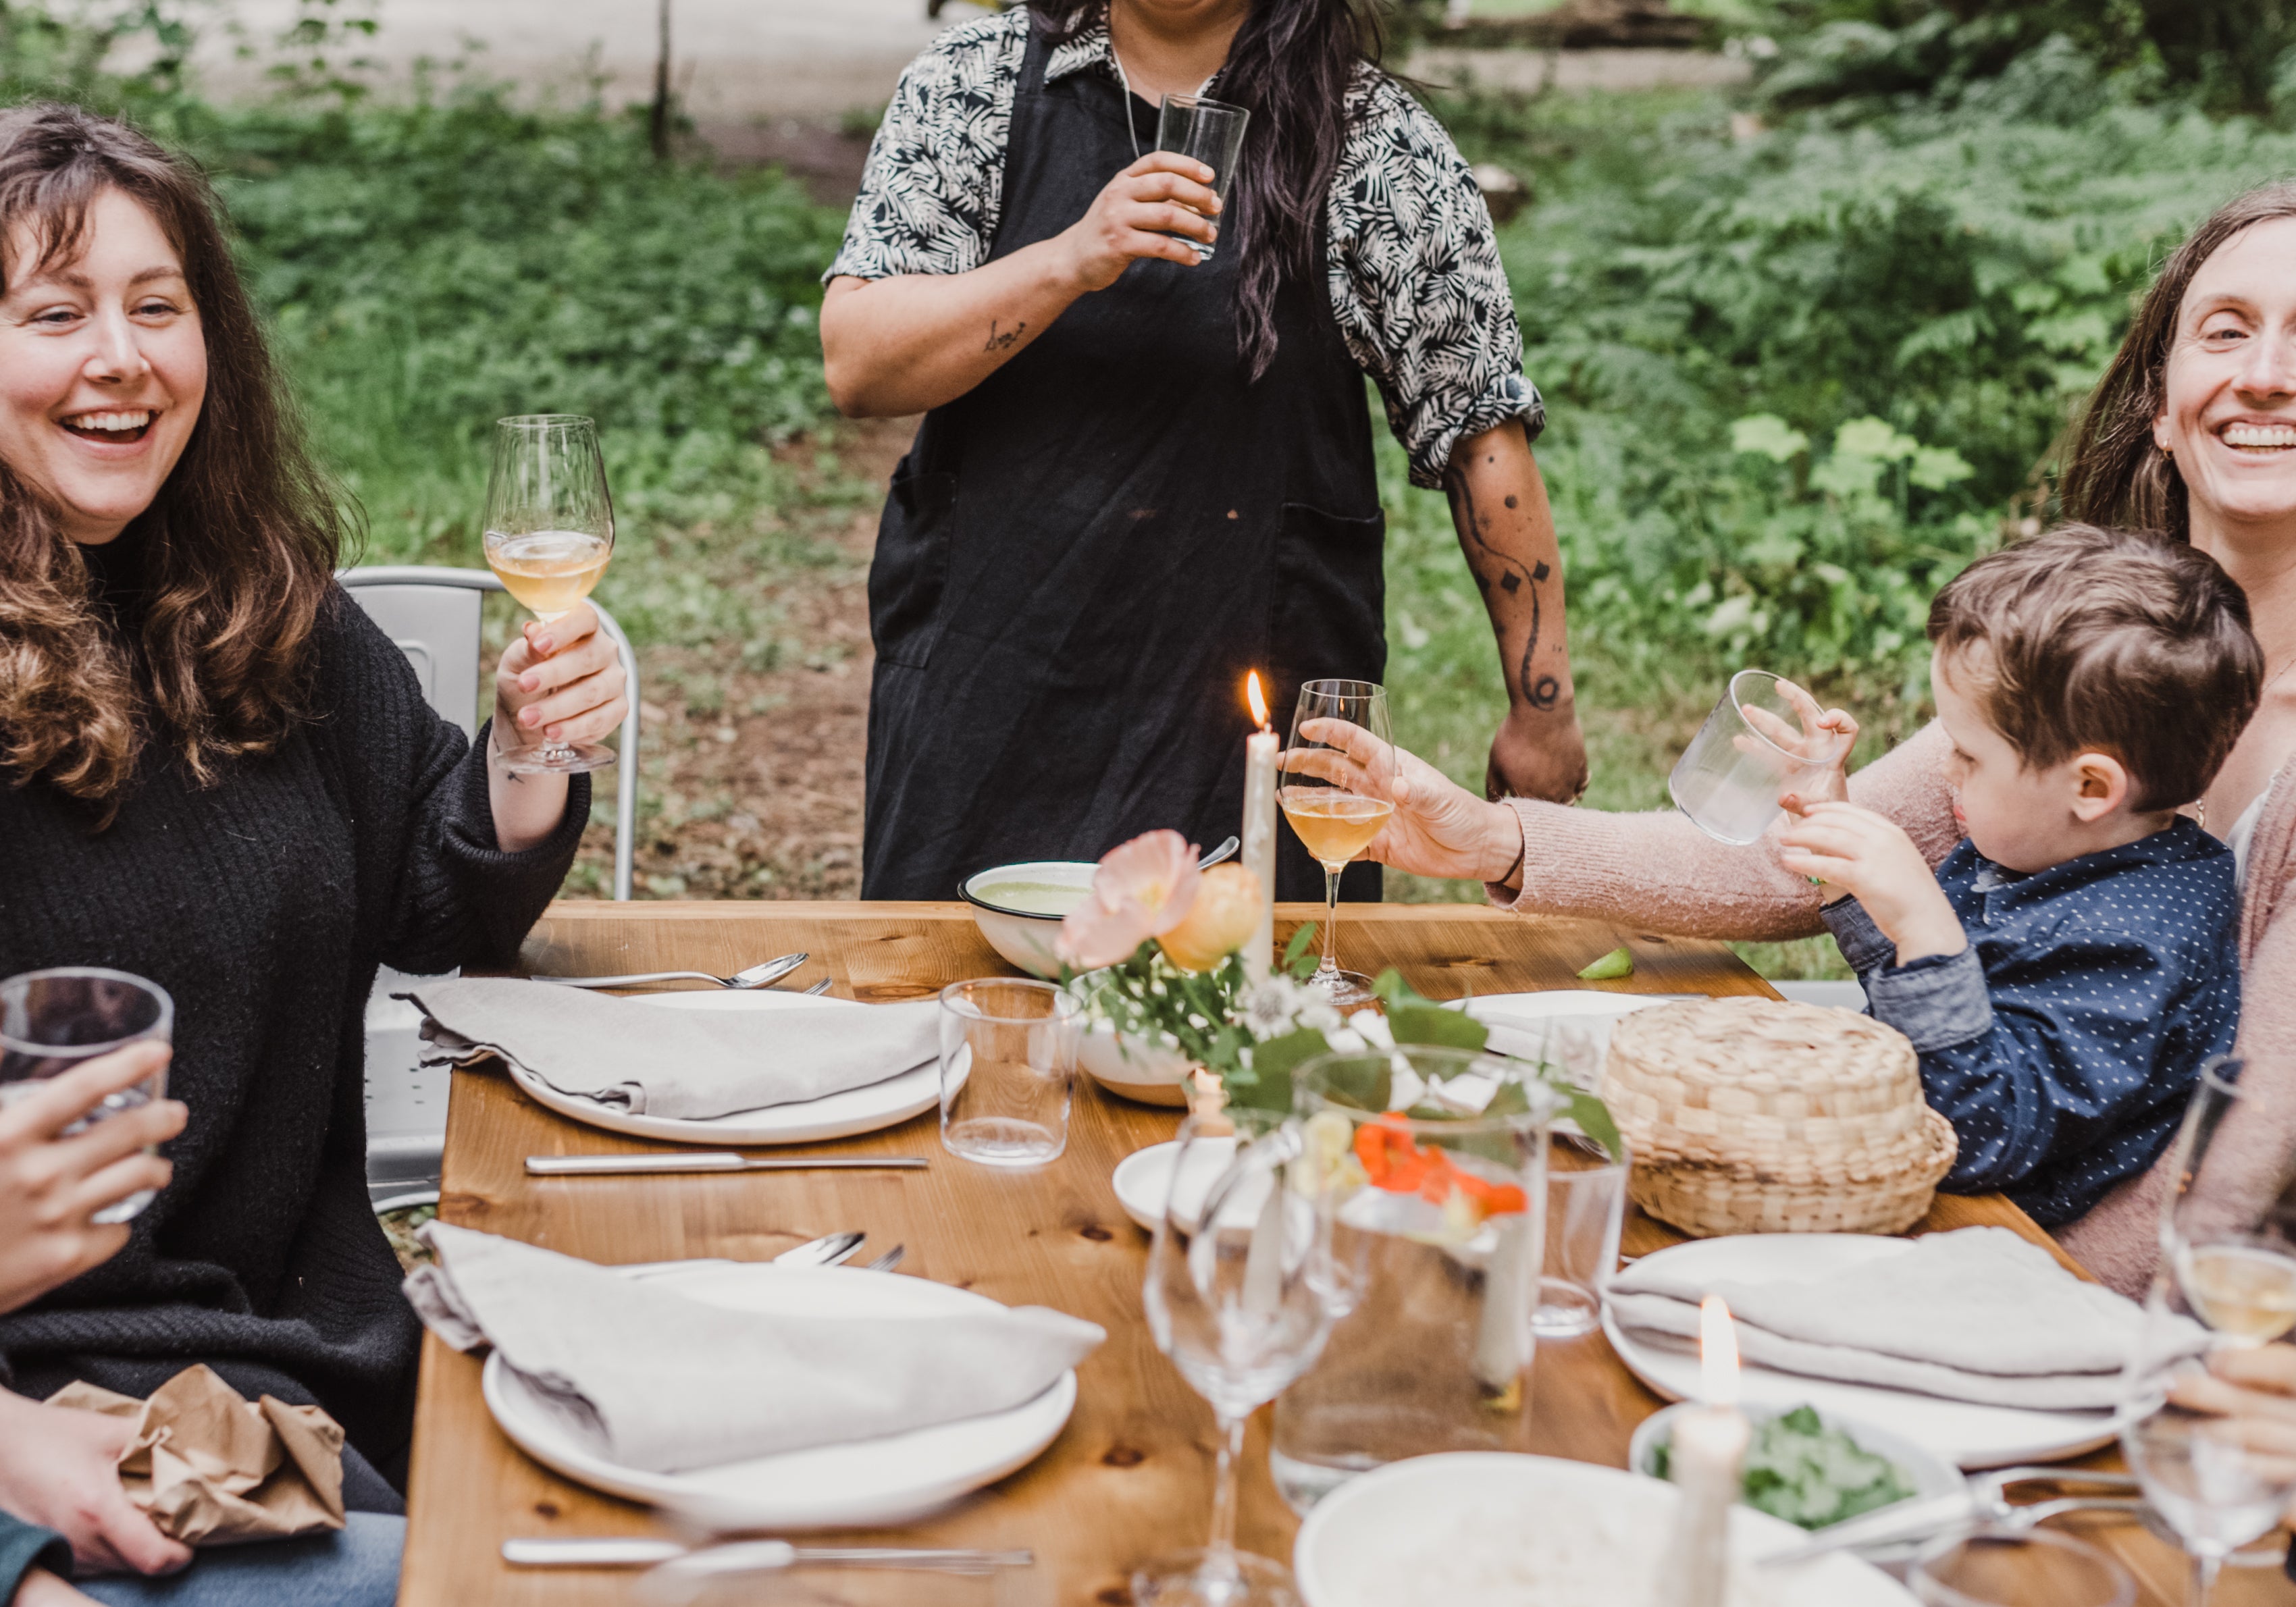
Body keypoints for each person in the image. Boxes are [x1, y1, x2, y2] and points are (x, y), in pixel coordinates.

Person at [1332, 178, 2296, 1294]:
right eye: (2228, 331)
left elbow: (2223, 1186)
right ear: (2163, 408)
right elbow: (1789, 870)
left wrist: (1968, 1312)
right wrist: (1489, 840)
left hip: (2105, 1302)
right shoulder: (2096, 656)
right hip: (1963, 1197)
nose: (2267, 373)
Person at [0, 101, 621, 1592]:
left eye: (160, 306)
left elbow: (434, 892)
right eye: (53, 313)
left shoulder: (250, 601)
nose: (121, 358)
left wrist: (529, 749)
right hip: (66, 1433)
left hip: (306, 1373)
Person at [820, 0, 1588, 902]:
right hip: (993, 684)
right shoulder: (975, 83)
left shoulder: (1374, 138)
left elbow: (1477, 436)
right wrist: (1072, 256)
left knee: (1257, 1021)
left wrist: (1543, 713)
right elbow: (860, 363)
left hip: (1245, 705)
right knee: (971, 1015)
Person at [1772, 527, 2256, 1224]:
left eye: (1968, 755)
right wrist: (1850, 878)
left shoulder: (2137, 948)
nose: (1947, 771)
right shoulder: (2039, 848)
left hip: (1995, 1239)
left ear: (2089, 786)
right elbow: (1923, 1019)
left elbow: (1973, 1135)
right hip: (1903, 1177)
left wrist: (1925, 925)